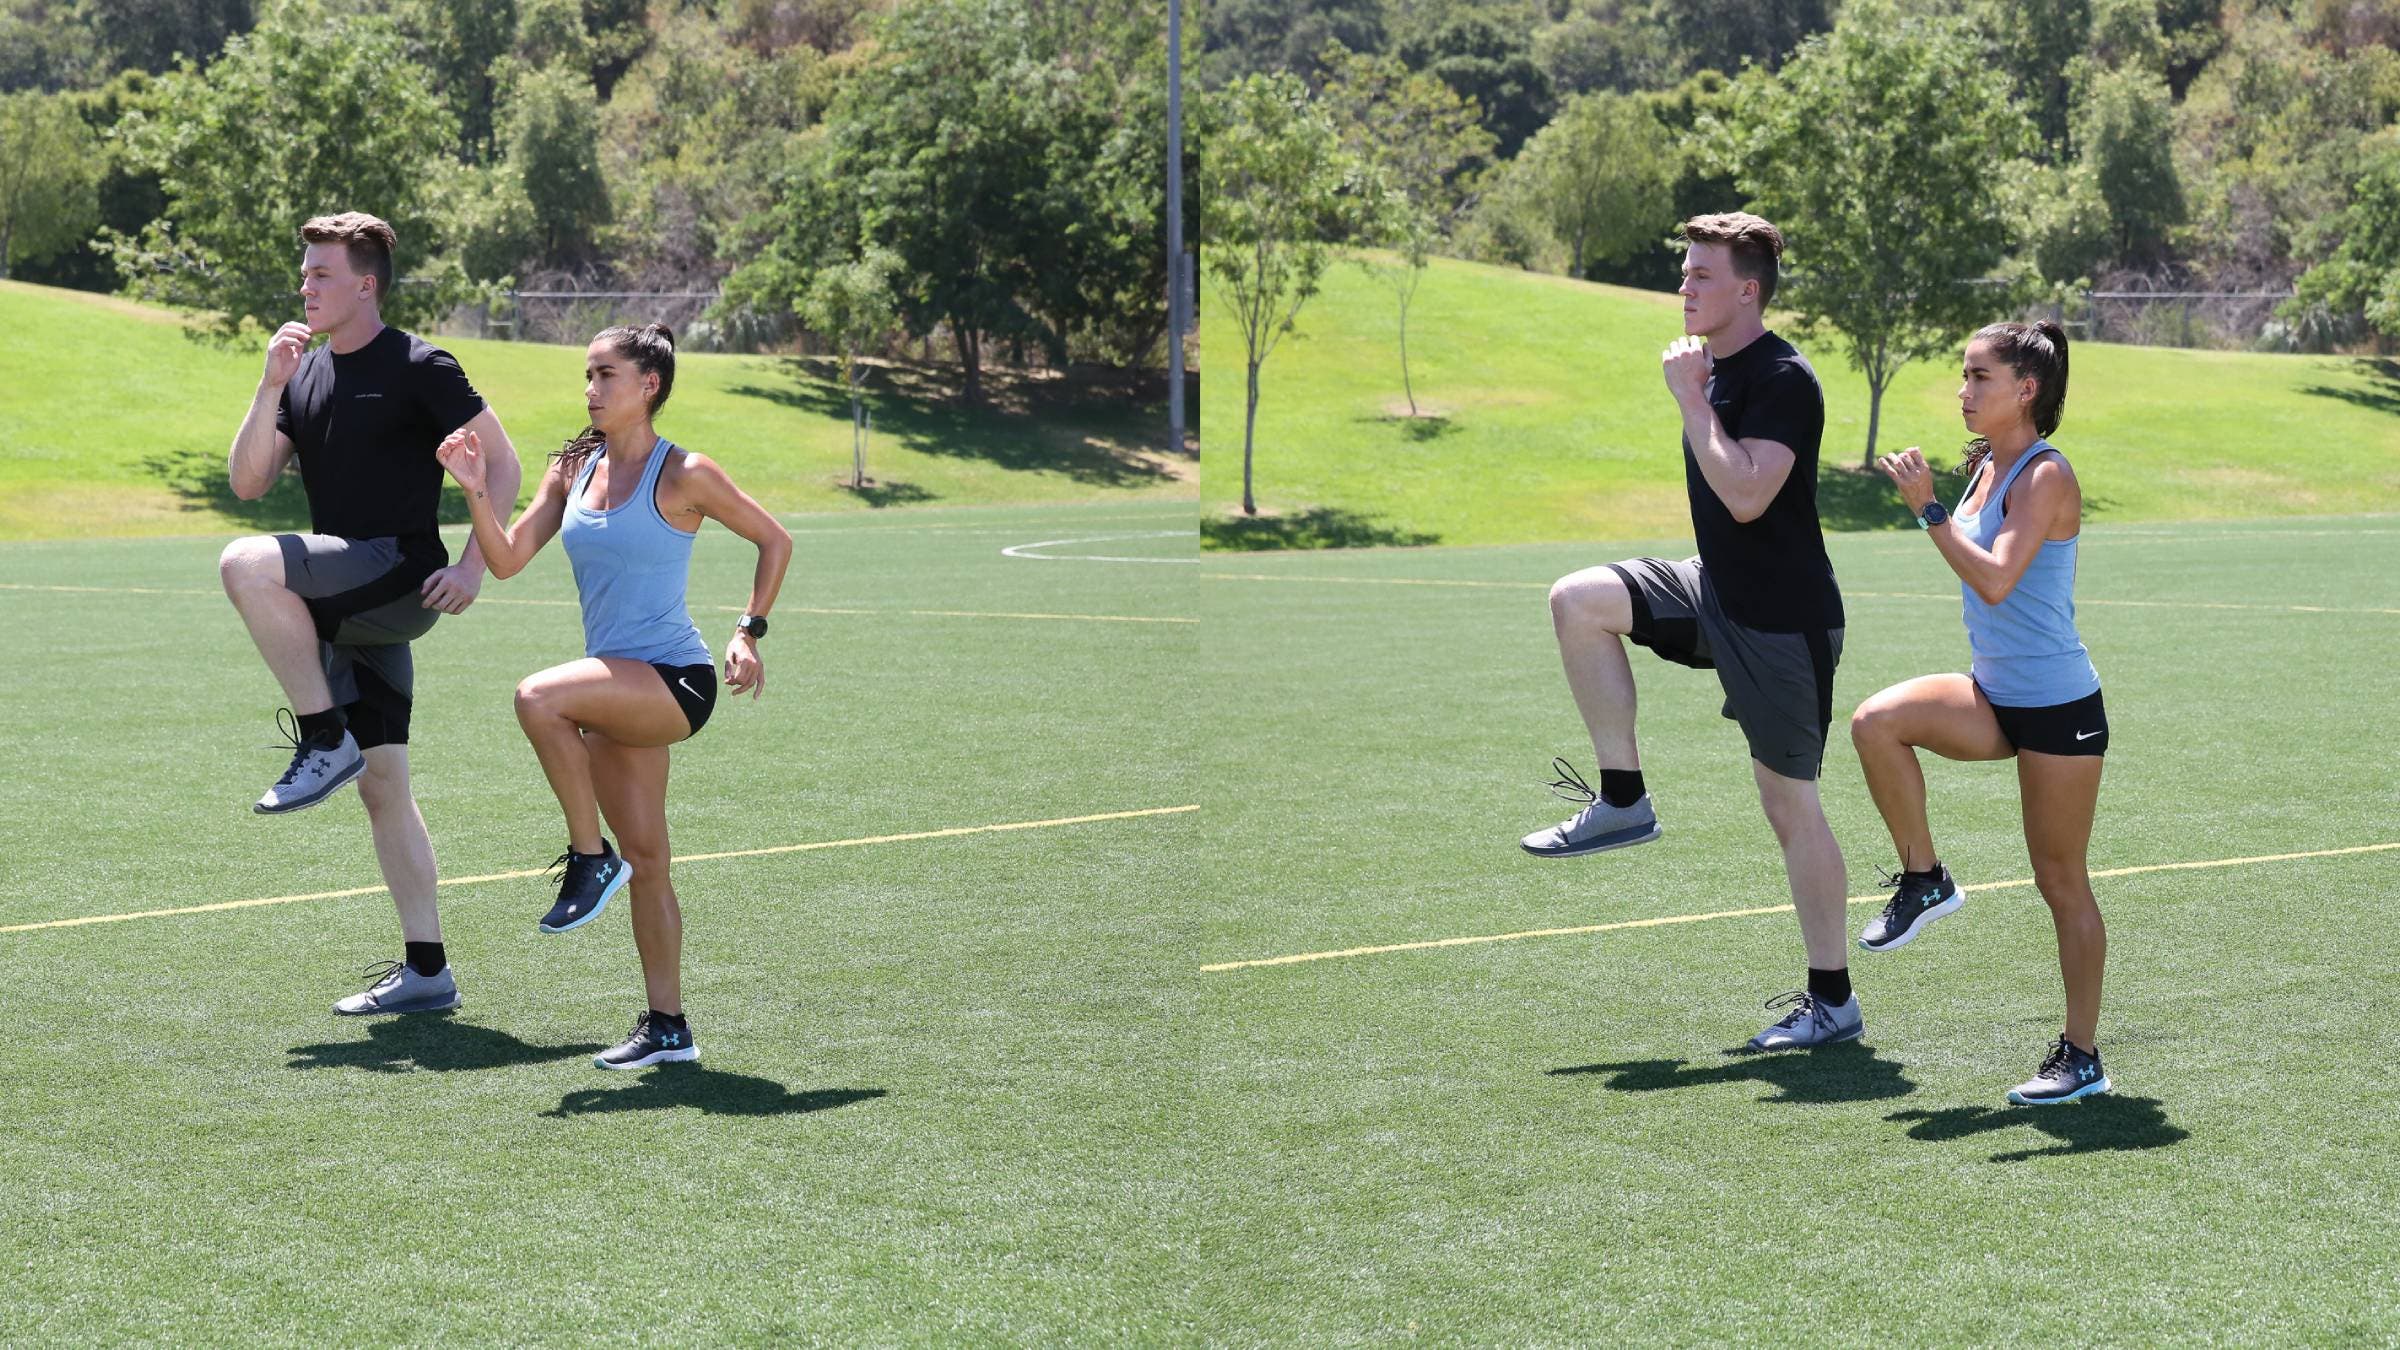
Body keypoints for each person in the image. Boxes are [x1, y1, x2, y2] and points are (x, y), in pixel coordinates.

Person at [1525, 212, 1858, 1051]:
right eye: (1685, 272)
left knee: (1790, 807)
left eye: (1700, 274)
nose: (1684, 286)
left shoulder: (1784, 377)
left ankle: (1833, 1003)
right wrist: (1697, 389)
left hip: (1782, 623)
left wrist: (1688, 396)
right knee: (1578, 601)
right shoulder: (1714, 368)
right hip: (1716, 591)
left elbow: (1747, 494)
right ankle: (1623, 800)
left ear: (1747, 290)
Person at [434, 322, 793, 1070]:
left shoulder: (685, 472)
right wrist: (474, 490)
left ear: (648, 385)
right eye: (588, 376)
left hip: (675, 681)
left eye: (606, 375)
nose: (591, 389)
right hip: (614, 688)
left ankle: (587, 856)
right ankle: (669, 1029)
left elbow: (774, 539)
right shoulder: (573, 466)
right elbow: (506, 559)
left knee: (538, 697)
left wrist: (748, 631)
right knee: (650, 862)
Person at [220, 211, 523, 1017]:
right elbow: (248, 482)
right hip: (345, 601)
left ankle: (324, 738)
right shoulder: (305, 373)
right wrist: (270, 384)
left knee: (245, 564)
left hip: (397, 574)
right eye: (305, 274)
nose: (306, 287)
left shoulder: (420, 364)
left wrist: (474, 566)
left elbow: (505, 463)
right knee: (384, 786)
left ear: (366, 284)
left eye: (321, 274)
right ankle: (429, 972)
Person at [1849, 319, 2112, 1106]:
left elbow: (1997, 580)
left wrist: (1928, 509)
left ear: (2025, 390)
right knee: (1875, 723)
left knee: (2060, 880)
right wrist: (1939, 502)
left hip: (2058, 707)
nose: (1963, 391)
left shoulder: (2045, 475)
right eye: (1963, 376)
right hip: (1992, 692)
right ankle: (1925, 879)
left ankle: (2082, 1057)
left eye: (1979, 377)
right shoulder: (1983, 465)